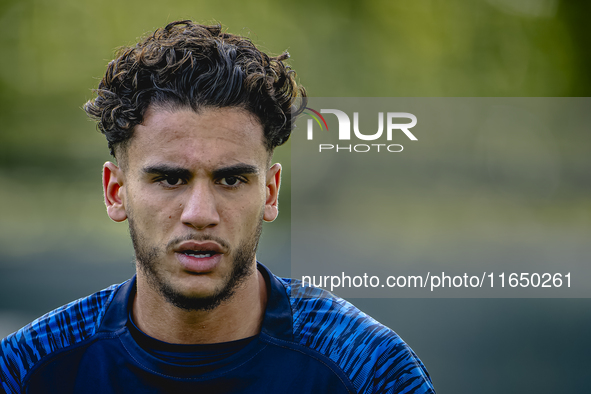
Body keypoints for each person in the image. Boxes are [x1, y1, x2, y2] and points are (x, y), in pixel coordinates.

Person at [0, 20, 435, 394]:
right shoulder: (27, 371)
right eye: (170, 178)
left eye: (231, 179)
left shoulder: (370, 371)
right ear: (116, 192)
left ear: (270, 192)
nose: (200, 213)